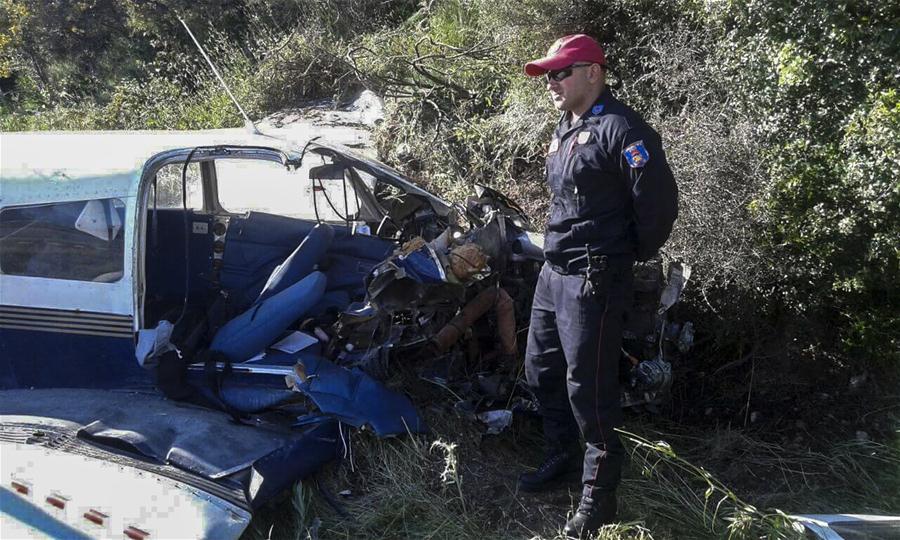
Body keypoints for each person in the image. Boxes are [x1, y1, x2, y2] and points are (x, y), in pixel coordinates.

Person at [519, 34, 678, 538]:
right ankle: (563, 459)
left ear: (593, 72)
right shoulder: (567, 125)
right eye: (548, 75)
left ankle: (598, 499)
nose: (552, 83)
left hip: (594, 278)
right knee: (540, 370)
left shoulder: (623, 130)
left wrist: (619, 258)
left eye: (561, 73)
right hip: (553, 273)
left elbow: (657, 208)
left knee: (589, 390)